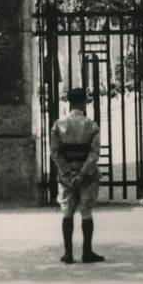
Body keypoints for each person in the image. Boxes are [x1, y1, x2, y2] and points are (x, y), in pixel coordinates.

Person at [49, 87, 105, 264]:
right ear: (83, 103)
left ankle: (68, 254)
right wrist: (82, 174)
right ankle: (87, 252)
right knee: (86, 211)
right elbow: (94, 154)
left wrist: (66, 172)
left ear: (69, 102)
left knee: (67, 211)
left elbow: (55, 153)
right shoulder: (91, 125)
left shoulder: (59, 125)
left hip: (66, 176)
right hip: (86, 176)